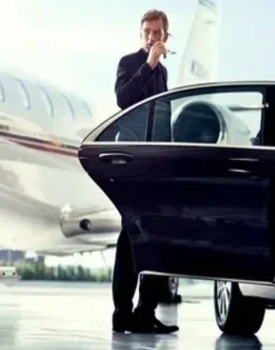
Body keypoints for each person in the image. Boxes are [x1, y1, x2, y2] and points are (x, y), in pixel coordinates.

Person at [111, 9, 179, 334]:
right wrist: (149, 63)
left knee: (156, 237)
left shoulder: (164, 75)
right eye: (147, 32)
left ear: (166, 37)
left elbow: (162, 119)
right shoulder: (129, 63)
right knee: (130, 237)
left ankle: (145, 312)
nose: (152, 37)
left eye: (157, 32)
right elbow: (125, 100)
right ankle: (122, 312)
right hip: (133, 164)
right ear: (142, 35)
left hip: (158, 165)